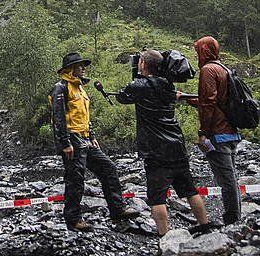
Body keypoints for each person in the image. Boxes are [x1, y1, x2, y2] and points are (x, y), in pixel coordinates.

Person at [102, 49, 212, 237]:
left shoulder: (139, 86)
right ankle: (204, 226)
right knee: (190, 189)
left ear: (143, 64)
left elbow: (122, 96)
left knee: (157, 197)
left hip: (156, 149)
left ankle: (164, 235)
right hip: (176, 145)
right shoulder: (168, 84)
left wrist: (136, 75)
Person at [50, 51, 129, 232]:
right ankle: (73, 220)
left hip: (85, 138)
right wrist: (64, 143)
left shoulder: (80, 88)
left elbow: (85, 116)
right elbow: (58, 117)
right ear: (71, 69)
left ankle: (118, 209)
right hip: (72, 139)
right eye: (80, 66)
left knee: (108, 168)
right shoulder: (60, 88)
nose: (83, 68)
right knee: (75, 180)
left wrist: (92, 136)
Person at [178, 36, 242, 226]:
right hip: (231, 130)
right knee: (231, 177)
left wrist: (202, 132)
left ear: (203, 52)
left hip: (217, 133)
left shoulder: (208, 70)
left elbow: (208, 104)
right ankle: (234, 216)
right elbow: (214, 100)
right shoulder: (223, 69)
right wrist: (187, 99)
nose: (196, 54)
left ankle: (232, 219)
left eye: (198, 50)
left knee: (226, 180)